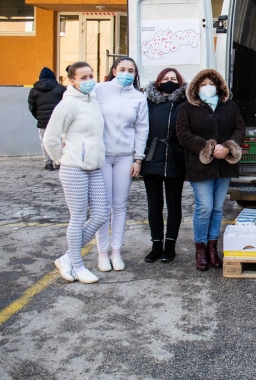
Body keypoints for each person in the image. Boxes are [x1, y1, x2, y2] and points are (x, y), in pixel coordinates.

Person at [43, 61, 108, 284]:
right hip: (74, 168)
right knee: (78, 217)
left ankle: (67, 258)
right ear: (72, 81)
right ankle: (78, 265)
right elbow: (50, 137)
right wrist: (61, 160)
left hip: (95, 166)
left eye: (91, 76)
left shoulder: (93, 102)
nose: (89, 80)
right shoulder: (68, 104)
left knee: (100, 214)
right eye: (83, 77)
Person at [176, 69, 245, 271]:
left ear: (219, 86)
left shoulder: (229, 106)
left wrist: (228, 146)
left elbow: (240, 129)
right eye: (203, 83)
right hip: (200, 166)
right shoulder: (187, 108)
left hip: (224, 165)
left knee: (216, 208)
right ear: (196, 87)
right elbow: (183, 133)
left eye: (211, 83)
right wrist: (209, 147)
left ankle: (213, 248)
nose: (208, 87)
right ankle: (201, 248)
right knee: (204, 207)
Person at [93, 57, 149, 272]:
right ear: (114, 70)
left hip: (126, 157)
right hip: (102, 157)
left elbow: (141, 128)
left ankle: (116, 251)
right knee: (102, 206)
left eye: (131, 70)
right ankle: (102, 253)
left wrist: (138, 158)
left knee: (120, 205)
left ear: (135, 74)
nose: (126, 73)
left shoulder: (138, 97)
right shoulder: (99, 90)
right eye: (122, 69)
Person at [141, 68, 188, 263]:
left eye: (174, 79)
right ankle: (156, 245)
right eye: (166, 78)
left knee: (174, 205)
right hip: (152, 156)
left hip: (175, 158)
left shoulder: (184, 102)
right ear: (158, 81)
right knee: (154, 206)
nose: (170, 81)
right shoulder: (147, 102)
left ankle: (170, 246)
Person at [28, 67, 66, 170]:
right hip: (59, 120)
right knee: (59, 140)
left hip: (42, 121)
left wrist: (39, 117)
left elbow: (32, 108)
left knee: (45, 141)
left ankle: (48, 162)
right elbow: (66, 105)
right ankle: (58, 162)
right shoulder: (61, 89)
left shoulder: (34, 91)